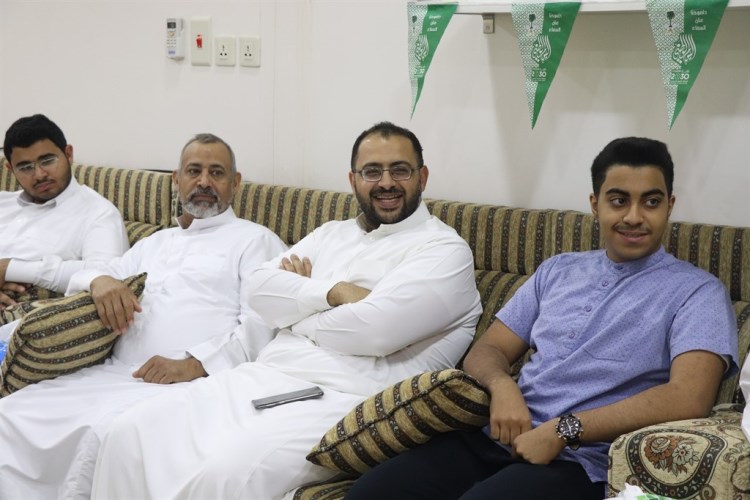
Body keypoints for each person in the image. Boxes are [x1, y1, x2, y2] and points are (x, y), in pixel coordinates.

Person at [89, 121, 483, 499]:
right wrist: (334, 292)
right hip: (261, 375)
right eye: (371, 171)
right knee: (128, 433)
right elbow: (259, 290)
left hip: (342, 399)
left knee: (223, 476)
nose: (385, 182)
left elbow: (375, 332)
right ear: (352, 180)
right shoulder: (332, 233)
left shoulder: (443, 251)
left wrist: (296, 312)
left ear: (422, 177)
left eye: (400, 170)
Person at [344, 137, 739, 500]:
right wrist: (502, 387)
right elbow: (489, 349)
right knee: (369, 495)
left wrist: (565, 429)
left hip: (582, 462)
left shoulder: (698, 292)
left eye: (650, 202)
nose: (634, 216)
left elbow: (689, 396)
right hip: (495, 437)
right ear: (595, 204)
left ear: (669, 205)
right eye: (619, 201)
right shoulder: (558, 270)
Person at [0, 133, 287, 500]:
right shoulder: (154, 243)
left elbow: (262, 325)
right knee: (14, 412)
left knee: (105, 434)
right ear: (176, 179)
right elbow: (95, 275)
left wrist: (196, 364)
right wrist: (100, 280)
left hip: (195, 383)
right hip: (112, 373)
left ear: (236, 183)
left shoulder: (255, 240)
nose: (204, 182)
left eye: (216, 172)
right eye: (194, 171)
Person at [0, 113, 129, 309]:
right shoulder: (4, 202)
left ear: (68, 154)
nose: (39, 174)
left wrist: (10, 268)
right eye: (25, 167)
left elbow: (108, 274)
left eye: (47, 160)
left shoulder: (98, 213)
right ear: (10, 169)